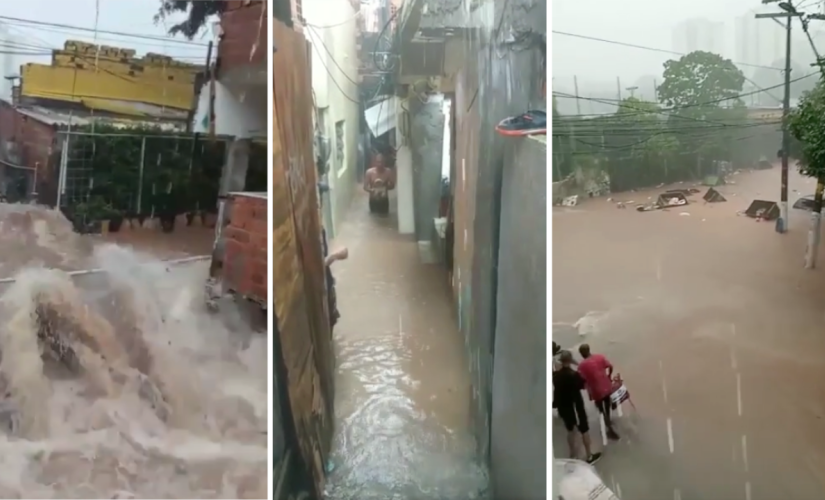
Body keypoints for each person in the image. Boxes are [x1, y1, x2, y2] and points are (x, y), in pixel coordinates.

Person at [553, 350, 602, 464]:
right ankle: (589, 456)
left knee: (570, 430)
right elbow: (583, 385)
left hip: (564, 408)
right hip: (575, 407)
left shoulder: (556, 376)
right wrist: (578, 366)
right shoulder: (574, 375)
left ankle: (573, 455)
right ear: (570, 360)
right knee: (584, 430)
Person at [577, 344, 620, 440]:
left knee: (600, 408)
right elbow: (610, 366)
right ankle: (609, 418)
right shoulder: (600, 357)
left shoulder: (582, 366)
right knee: (607, 404)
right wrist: (609, 376)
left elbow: (581, 378)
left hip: (595, 390)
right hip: (606, 386)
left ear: (581, 353)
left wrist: (584, 385)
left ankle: (608, 424)